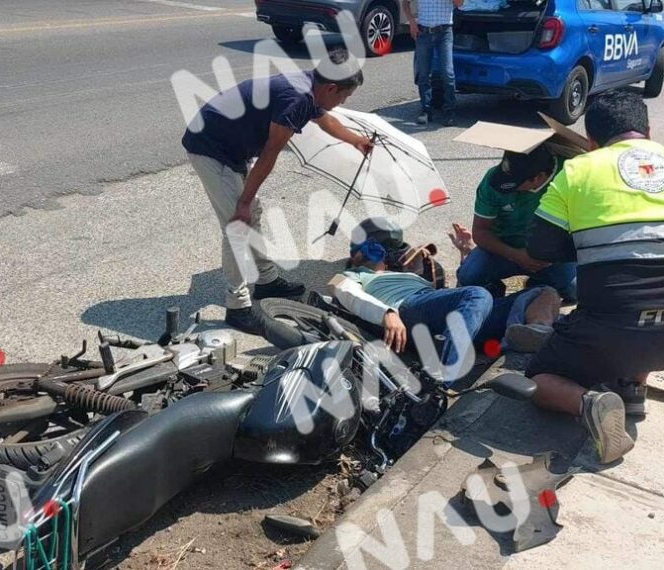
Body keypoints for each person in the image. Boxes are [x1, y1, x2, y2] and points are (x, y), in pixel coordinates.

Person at [522, 91, 664, 464]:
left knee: (537, 380)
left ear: (590, 141)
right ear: (649, 131)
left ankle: (590, 404)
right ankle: (633, 389)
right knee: (649, 306)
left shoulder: (577, 171)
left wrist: (597, 246)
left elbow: (539, 249)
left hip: (615, 332)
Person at [181, 49, 374, 335]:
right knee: (238, 225)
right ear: (331, 88)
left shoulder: (310, 86)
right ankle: (237, 307)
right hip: (210, 148)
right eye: (344, 97)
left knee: (251, 214)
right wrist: (243, 202)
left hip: (229, 146)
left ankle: (267, 280)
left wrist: (356, 140)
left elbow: (326, 121)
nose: (342, 102)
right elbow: (270, 152)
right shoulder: (297, 99)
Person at [329, 239, 562, 383]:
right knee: (479, 294)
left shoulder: (406, 275)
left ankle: (535, 333)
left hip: (448, 317)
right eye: (367, 250)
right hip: (407, 308)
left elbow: (460, 303)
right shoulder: (355, 275)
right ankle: (444, 377)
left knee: (545, 291)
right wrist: (386, 313)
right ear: (354, 257)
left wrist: (465, 253)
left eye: (378, 250)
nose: (373, 254)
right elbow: (344, 291)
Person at [452, 145, 577, 302]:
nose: (508, 189)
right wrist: (516, 255)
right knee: (469, 275)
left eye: (515, 184)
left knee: (574, 290)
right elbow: (480, 231)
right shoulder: (492, 180)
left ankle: (538, 286)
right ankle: (494, 290)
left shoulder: (571, 176)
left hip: (552, 255)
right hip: (503, 249)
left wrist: (554, 254)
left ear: (539, 177)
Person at [402, 0, 463, 125]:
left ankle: (449, 111)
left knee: (448, 73)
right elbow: (405, 2)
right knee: (424, 74)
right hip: (423, 32)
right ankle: (426, 110)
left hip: (444, 32)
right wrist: (412, 22)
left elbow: (459, 4)